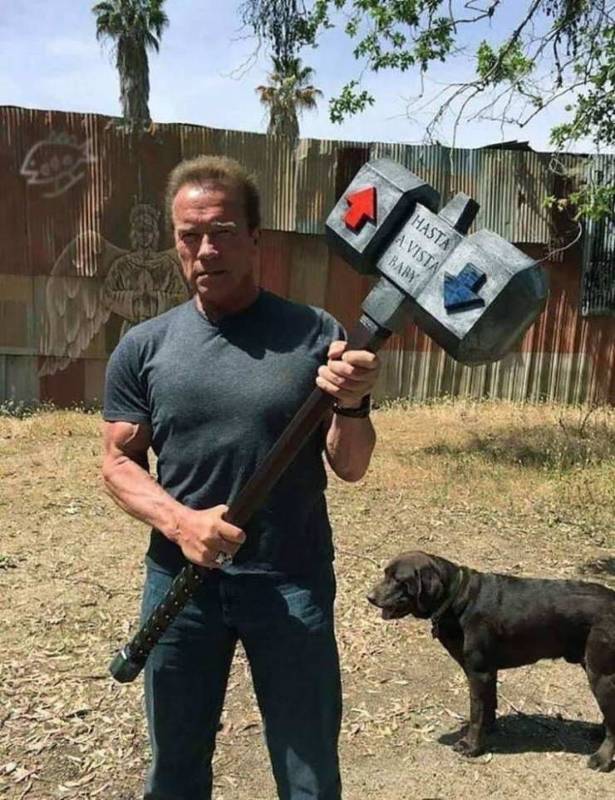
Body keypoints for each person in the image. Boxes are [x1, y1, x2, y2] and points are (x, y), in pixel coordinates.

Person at [102, 155, 381, 800]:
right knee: (175, 767)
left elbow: (351, 465)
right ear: (175, 242)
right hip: (181, 584)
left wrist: (353, 404)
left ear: (255, 238)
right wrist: (181, 523)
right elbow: (117, 462)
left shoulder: (315, 334)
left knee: (308, 769)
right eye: (190, 234)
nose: (207, 249)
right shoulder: (144, 346)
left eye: (223, 231)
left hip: (290, 580)